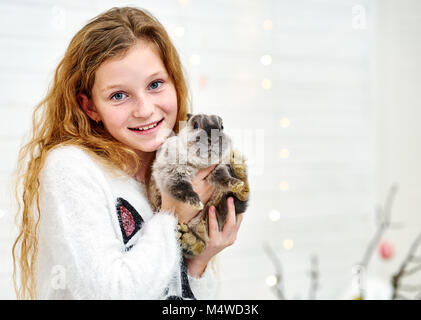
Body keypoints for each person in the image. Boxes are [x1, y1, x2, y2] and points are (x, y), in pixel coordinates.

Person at [12, 6, 243, 300]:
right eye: (119, 95)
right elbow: (110, 293)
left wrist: (197, 263)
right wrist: (172, 215)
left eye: (155, 84)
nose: (145, 109)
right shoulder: (71, 167)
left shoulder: (169, 165)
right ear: (90, 106)